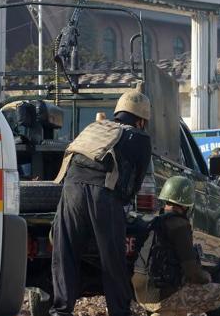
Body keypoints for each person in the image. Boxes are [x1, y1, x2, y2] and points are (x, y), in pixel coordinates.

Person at [50, 84, 152, 316]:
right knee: (112, 259)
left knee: (65, 254)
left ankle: (60, 311)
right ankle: (119, 311)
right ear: (142, 121)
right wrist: (123, 204)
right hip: (103, 194)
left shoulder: (94, 128)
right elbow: (134, 183)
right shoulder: (139, 136)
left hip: (71, 189)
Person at [132, 176, 220, 316]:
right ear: (186, 205)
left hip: (140, 294)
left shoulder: (154, 221)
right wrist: (206, 277)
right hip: (160, 296)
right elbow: (192, 272)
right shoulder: (179, 225)